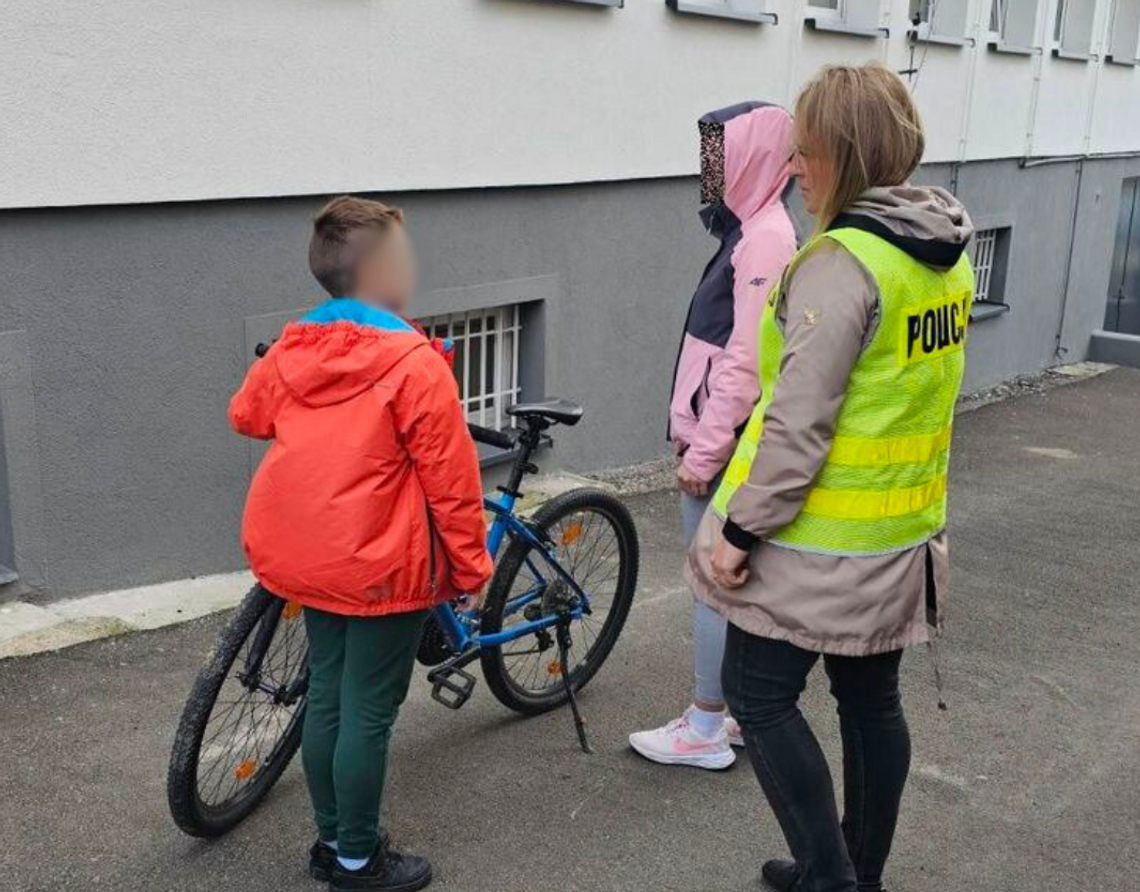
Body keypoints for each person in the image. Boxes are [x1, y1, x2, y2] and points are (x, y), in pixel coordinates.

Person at [687, 63, 975, 892]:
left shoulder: (840, 263)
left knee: (757, 693)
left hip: (812, 540)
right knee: (871, 703)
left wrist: (739, 531)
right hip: (901, 534)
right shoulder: (943, 250)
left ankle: (828, 875)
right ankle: (860, 871)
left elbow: (797, 425)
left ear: (843, 156)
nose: (796, 170)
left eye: (807, 153)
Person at [228, 196, 493, 892]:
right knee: (369, 711)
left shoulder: (294, 345)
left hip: (309, 557)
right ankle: (356, 858)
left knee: (328, 701)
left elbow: (246, 414)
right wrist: (472, 566)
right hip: (381, 563)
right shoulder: (414, 361)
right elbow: (452, 480)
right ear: (380, 271)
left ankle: (329, 841)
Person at [629, 103, 797, 770]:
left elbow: (746, 359)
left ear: (753, 158)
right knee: (730, 583)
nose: (709, 172)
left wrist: (703, 452)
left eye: (719, 157)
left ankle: (705, 724)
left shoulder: (764, 239)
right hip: (718, 437)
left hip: (723, 447)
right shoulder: (752, 230)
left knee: (712, 581)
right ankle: (728, 715)